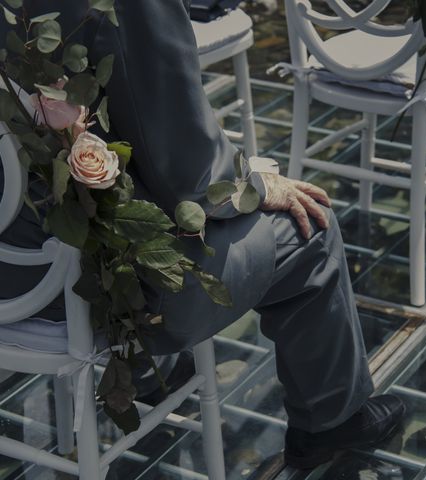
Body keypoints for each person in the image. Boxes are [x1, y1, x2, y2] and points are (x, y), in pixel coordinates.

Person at [0, 0, 404, 469]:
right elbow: (185, 169)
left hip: (10, 266)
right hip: (76, 288)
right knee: (310, 227)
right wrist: (253, 183)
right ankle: (333, 421)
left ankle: (154, 380)